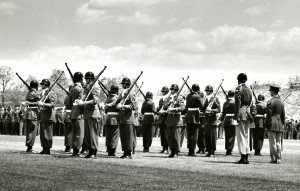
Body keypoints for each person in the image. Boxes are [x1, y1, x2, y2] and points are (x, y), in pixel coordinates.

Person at [76, 72, 101, 159]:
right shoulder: (87, 88)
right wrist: (80, 101)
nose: (85, 80)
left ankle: (94, 151)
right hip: (87, 114)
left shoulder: (95, 87)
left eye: (86, 79)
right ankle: (90, 151)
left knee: (93, 134)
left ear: (90, 79)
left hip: (93, 113)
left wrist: (84, 103)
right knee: (87, 135)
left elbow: (95, 101)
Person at [234, 73, 253, 164]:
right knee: (246, 135)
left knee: (241, 135)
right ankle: (246, 156)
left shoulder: (239, 88)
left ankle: (243, 156)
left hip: (240, 112)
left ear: (238, 80)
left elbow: (237, 103)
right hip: (247, 112)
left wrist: (236, 115)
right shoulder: (249, 89)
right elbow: (250, 102)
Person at [116, 77, 138, 159]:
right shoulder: (121, 93)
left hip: (128, 118)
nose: (123, 85)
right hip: (122, 117)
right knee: (123, 136)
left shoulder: (131, 94)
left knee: (128, 136)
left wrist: (123, 106)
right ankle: (125, 152)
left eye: (125, 84)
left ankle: (129, 153)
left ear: (128, 85)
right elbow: (117, 102)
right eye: (123, 84)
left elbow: (134, 106)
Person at [266, 85, 285, 164]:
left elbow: (269, 114)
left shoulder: (270, 101)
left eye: (270, 91)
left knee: (272, 142)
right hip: (279, 123)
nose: (270, 92)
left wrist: (267, 124)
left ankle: (273, 158)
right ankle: (279, 158)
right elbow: (283, 115)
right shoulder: (281, 102)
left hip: (272, 123)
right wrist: (282, 123)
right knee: (278, 142)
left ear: (273, 91)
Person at [38, 79, 57, 155]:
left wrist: (43, 104)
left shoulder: (51, 93)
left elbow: (53, 104)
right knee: (42, 133)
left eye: (42, 84)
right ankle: (44, 148)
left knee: (48, 133)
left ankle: (48, 149)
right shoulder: (43, 93)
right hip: (43, 114)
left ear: (45, 85)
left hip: (48, 115)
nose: (41, 86)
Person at [166, 84, 185, 158]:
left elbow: (182, 108)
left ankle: (176, 152)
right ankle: (172, 151)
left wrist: (173, 109)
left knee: (176, 137)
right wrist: (168, 104)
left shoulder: (180, 98)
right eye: (171, 89)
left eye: (172, 89)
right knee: (170, 137)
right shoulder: (169, 98)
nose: (171, 91)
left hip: (176, 119)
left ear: (176, 90)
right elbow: (165, 106)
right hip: (170, 119)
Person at [69, 72, 85, 157]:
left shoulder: (72, 88)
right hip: (79, 113)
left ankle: (74, 150)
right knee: (79, 133)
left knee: (75, 132)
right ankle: (77, 150)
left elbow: (70, 102)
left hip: (73, 112)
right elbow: (81, 102)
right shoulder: (80, 89)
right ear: (81, 79)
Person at [202, 85, 221, 157]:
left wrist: (211, 110)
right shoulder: (206, 99)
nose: (207, 92)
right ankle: (209, 151)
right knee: (207, 137)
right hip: (206, 120)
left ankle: (212, 152)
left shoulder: (215, 99)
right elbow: (203, 109)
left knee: (212, 137)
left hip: (212, 120)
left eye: (208, 91)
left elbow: (219, 110)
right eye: (206, 91)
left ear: (211, 91)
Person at [185, 84, 203, 156]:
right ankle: (192, 151)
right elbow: (202, 107)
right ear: (198, 89)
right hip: (195, 116)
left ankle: (190, 150)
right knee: (194, 135)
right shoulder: (198, 96)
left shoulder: (188, 96)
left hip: (189, 115)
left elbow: (186, 107)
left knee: (189, 134)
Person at [24, 80, 40, 153]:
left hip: (29, 112)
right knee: (32, 131)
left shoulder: (28, 93)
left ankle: (29, 147)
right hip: (33, 112)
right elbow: (40, 100)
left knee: (29, 131)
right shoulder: (35, 93)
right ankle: (30, 148)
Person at [104, 85, 120, 157]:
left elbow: (106, 110)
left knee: (108, 135)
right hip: (115, 118)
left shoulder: (108, 98)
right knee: (114, 135)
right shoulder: (117, 98)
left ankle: (108, 149)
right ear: (117, 91)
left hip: (108, 117)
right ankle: (112, 151)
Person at [219, 90, 236, 155]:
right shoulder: (234, 102)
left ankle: (227, 149)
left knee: (227, 136)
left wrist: (221, 120)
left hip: (226, 120)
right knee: (231, 136)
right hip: (232, 120)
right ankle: (230, 149)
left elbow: (223, 113)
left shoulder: (225, 103)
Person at [157, 86, 170, 154]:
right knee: (162, 135)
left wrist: (163, 111)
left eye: (165, 92)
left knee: (166, 135)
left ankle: (166, 148)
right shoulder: (161, 100)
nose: (163, 93)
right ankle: (163, 147)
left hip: (166, 119)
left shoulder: (169, 99)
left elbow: (168, 109)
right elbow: (159, 108)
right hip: (161, 119)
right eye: (163, 92)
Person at [63, 85, 73, 152]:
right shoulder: (71, 97)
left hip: (67, 115)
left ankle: (67, 146)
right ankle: (69, 146)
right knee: (70, 132)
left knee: (67, 132)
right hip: (70, 114)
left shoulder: (67, 97)